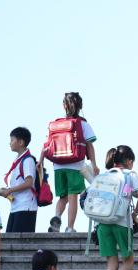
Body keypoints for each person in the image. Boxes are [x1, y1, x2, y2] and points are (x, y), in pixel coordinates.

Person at [45, 92, 98, 233]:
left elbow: (47, 145)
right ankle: (70, 227)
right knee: (73, 195)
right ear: (81, 106)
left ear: (64, 105)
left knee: (63, 197)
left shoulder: (57, 124)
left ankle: (57, 217)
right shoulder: (83, 124)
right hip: (75, 165)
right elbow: (89, 146)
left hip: (58, 166)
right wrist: (94, 164)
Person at [0, 127, 40, 233]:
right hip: (16, 206)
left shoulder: (28, 160)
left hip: (26, 207)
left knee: (19, 240)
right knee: (10, 240)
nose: (10, 143)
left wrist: (9, 190)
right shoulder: (18, 159)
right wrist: (7, 191)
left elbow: (29, 183)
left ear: (21, 142)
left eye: (12, 140)